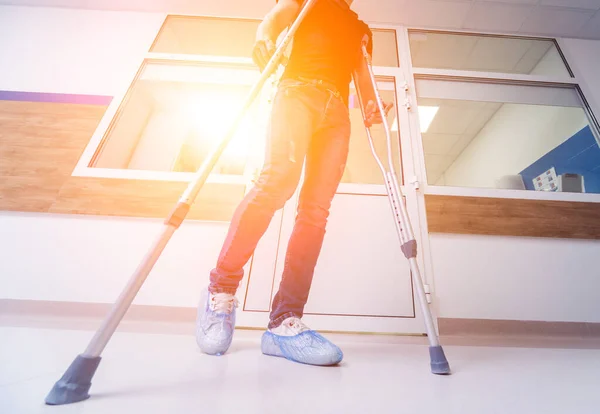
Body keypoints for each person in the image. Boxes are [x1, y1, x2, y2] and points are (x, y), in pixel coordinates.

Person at [196, 0, 392, 366]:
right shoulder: (306, 2)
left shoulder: (360, 28)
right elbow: (273, 21)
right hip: (296, 92)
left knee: (316, 211)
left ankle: (284, 322)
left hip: (336, 113)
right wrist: (263, 39)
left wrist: (371, 103)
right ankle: (220, 292)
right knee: (276, 183)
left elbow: (363, 76)